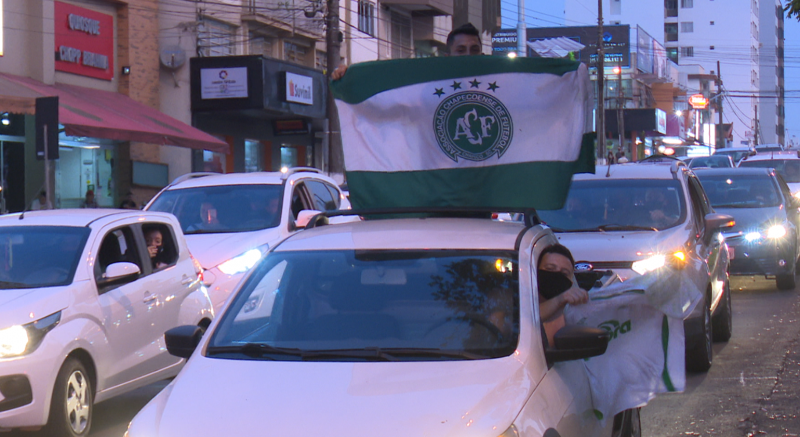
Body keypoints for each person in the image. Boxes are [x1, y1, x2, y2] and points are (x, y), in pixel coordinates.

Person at [330, 22, 483, 80]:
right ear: (447, 57)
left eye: (474, 50)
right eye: (461, 50)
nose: (469, 56)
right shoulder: (427, 85)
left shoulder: (502, 84)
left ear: (483, 56)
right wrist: (352, 76)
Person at [537, 244, 589, 324]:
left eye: (564, 273)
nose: (556, 276)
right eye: (550, 269)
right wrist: (559, 299)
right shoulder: (518, 300)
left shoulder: (571, 314)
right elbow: (526, 320)